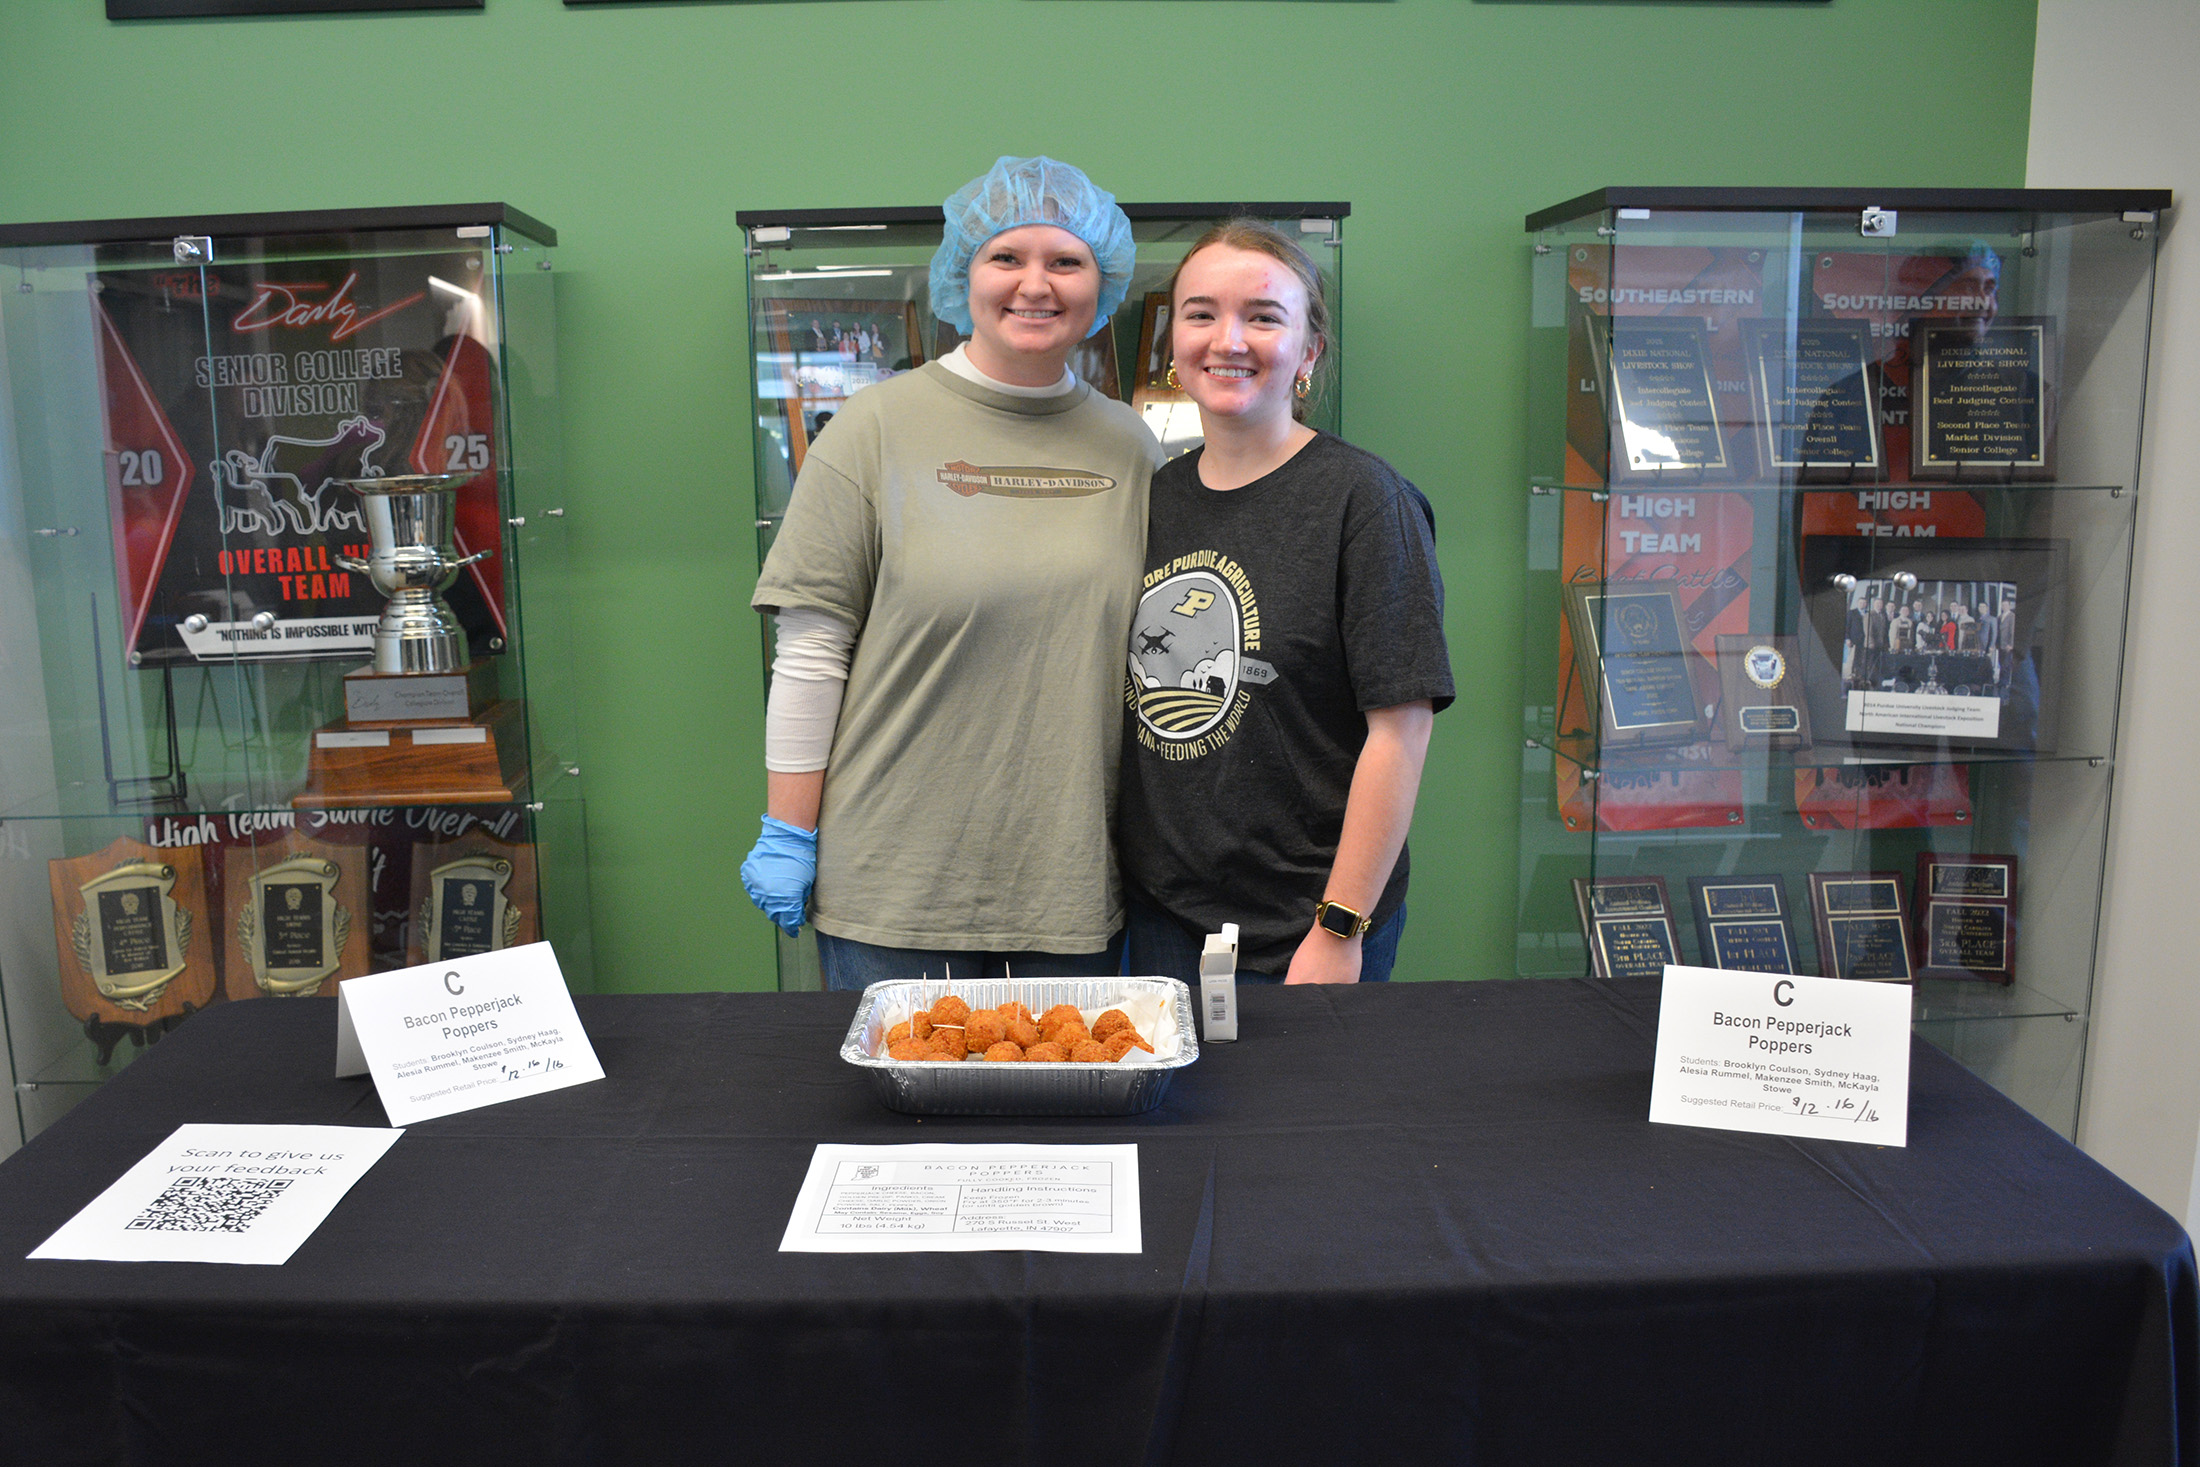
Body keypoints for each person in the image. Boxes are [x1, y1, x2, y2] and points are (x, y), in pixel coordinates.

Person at [740, 156, 1161, 989]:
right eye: (1006, 257)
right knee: (905, 1121)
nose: (1034, 284)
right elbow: (812, 651)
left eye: (1065, 261)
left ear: (1101, 283)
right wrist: (789, 832)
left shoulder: (1133, 448)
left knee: (1062, 1118)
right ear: (961, 273)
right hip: (896, 886)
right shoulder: (872, 430)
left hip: (1070, 882)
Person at [1117, 220, 1453, 985]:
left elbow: (1400, 734)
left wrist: (1339, 927)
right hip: (1164, 917)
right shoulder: (1157, 497)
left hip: (1307, 921)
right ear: (1175, 341)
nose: (1227, 337)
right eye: (1201, 313)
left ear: (1308, 353)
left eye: (1263, 317)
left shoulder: (1366, 501)